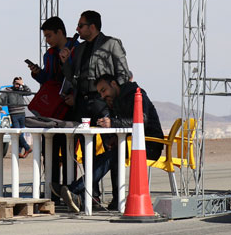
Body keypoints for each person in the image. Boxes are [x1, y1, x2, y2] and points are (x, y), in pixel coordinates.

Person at [60, 74, 163, 213]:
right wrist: (115, 136)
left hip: (149, 145)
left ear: (114, 84)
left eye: (104, 90)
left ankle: (74, 189)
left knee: (112, 156)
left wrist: (112, 123)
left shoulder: (136, 94)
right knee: (108, 155)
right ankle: (81, 193)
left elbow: (141, 120)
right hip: (133, 144)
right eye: (100, 93)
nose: (102, 96)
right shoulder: (117, 99)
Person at [29, 16, 78, 198]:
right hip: (52, 109)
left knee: (68, 152)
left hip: (70, 107)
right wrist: (37, 74)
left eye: (49, 36)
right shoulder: (48, 55)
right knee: (49, 149)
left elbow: (77, 76)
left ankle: (71, 190)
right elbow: (47, 79)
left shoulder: (76, 49)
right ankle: (53, 192)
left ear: (59, 32)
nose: (47, 40)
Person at [62, 10, 131, 122]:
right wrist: (65, 62)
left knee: (107, 137)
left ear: (92, 27)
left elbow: (123, 74)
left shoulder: (111, 44)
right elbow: (73, 78)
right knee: (80, 138)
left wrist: (114, 100)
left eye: (80, 26)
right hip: (81, 103)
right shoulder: (79, 48)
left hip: (102, 102)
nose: (77, 29)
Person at [0, 76, 32, 158]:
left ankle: (19, 152)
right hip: (14, 114)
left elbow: (29, 92)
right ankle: (27, 148)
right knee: (17, 133)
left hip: (22, 113)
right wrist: (0, 109)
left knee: (21, 133)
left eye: (19, 84)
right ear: (13, 83)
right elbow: (0, 99)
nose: (17, 85)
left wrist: (23, 84)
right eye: (16, 83)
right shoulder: (8, 90)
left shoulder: (21, 90)